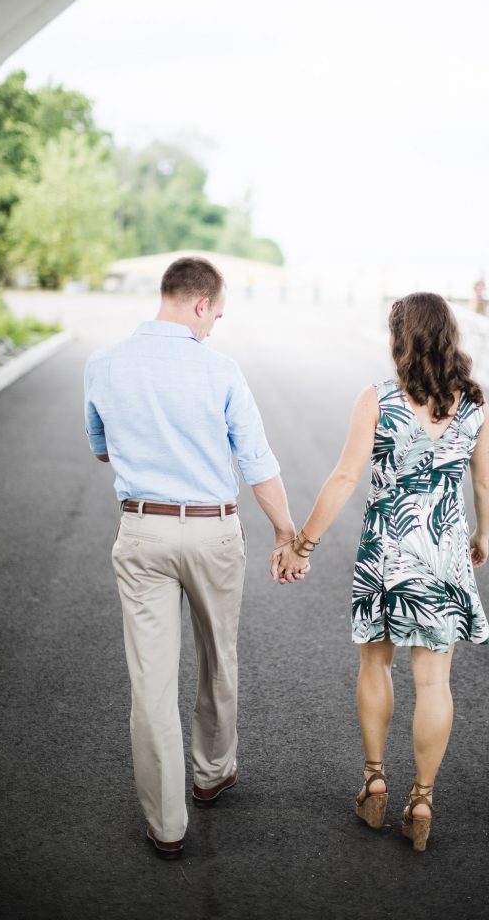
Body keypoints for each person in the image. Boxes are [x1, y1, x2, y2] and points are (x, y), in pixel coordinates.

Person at [84, 257, 304, 860]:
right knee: (218, 656)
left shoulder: (102, 365)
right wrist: (288, 534)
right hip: (212, 533)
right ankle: (210, 774)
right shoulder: (221, 371)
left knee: (150, 683)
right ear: (201, 304)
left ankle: (166, 825)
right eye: (217, 316)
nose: (213, 329)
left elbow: (102, 448)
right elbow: (258, 467)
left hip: (142, 532)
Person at [271, 292, 489, 852]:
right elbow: (486, 483)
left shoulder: (378, 398)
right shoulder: (475, 406)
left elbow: (347, 477)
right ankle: (421, 798)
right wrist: (482, 535)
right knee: (434, 682)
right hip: (444, 552)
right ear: (450, 336)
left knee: (376, 663)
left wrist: (304, 543)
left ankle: (375, 778)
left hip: (387, 549)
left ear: (399, 337)